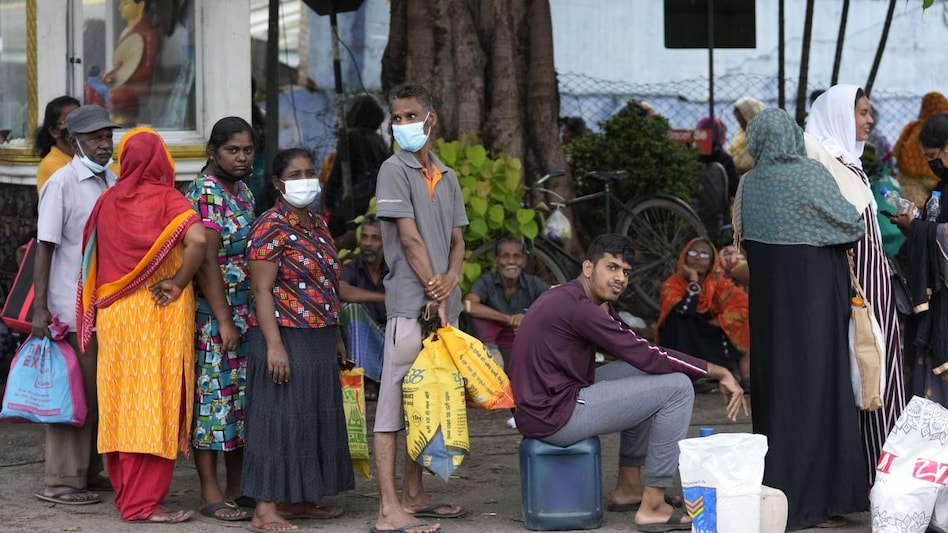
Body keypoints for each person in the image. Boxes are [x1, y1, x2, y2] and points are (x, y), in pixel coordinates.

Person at [509, 234, 747, 533]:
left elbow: (630, 346)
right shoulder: (578, 308)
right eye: (611, 268)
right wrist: (717, 371)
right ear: (588, 267)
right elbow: (646, 353)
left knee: (643, 372)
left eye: (625, 272)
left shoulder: (573, 298)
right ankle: (652, 505)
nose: (620, 278)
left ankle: (629, 487)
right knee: (678, 387)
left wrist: (607, 310)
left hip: (551, 402)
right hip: (555, 415)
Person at [736, 108, 868, 530]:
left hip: (770, 310)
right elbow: (851, 224)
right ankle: (823, 499)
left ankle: (779, 496)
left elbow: (741, 239)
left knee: (777, 392)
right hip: (814, 304)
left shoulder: (748, 185)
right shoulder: (811, 175)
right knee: (819, 390)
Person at [77, 127, 205, 524]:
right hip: (158, 312)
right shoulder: (170, 199)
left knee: (119, 404)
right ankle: (143, 504)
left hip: (114, 317)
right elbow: (198, 240)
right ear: (163, 160)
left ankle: (128, 496)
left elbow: (90, 260)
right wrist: (180, 281)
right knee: (154, 405)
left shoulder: (106, 200)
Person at [372, 82, 468, 533]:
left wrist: (450, 281)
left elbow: (458, 240)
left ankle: (414, 492)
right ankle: (388, 507)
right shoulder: (393, 169)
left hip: (443, 305)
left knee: (429, 402)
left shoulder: (447, 175)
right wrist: (436, 291)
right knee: (392, 407)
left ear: (432, 119)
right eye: (398, 117)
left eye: (411, 115)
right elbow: (409, 240)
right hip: (411, 305)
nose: (404, 124)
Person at [243, 148, 352, 533]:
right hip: (285, 335)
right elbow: (261, 290)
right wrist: (274, 346)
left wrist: (336, 333)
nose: (306, 180)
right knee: (280, 419)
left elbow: (328, 285)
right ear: (277, 183)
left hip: (319, 337)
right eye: (295, 174)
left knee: (312, 418)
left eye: (310, 172)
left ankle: (301, 498)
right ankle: (265, 509)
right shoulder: (269, 226)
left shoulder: (319, 226)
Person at [806, 84, 906, 487]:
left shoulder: (849, 161)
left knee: (879, 375)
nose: (869, 120)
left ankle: (890, 476)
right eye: (861, 112)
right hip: (856, 291)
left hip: (874, 286)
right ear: (837, 115)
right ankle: (876, 477)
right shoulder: (824, 163)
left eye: (869, 112)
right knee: (868, 377)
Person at [31, 105, 118, 506]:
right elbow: (45, 246)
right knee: (74, 394)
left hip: (106, 309)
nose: (104, 144)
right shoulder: (63, 183)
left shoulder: (110, 180)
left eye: (108, 136)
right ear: (74, 140)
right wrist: (41, 308)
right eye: (96, 138)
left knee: (98, 392)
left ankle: (89, 471)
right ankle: (62, 480)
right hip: (70, 308)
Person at [184, 117, 256, 523]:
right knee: (212, 402)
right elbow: (207, 262)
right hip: (215, 314)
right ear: (214, 152)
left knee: (238, 401)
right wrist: (225, 320)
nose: (241, 157)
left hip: (244, 311)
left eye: (247, 150)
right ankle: (209, 493)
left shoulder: (242, 190)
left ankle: (238, 487)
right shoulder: (207, 194)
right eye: (233, 150)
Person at [892, 112, 948, 407]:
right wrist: (917, 224)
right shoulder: (943, 186)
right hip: (939, 296)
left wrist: (917, 229)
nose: (931, 163)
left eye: (933, 155)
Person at [656, 238, 750, 388]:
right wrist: (693, 280)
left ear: (712, 262)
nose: (698, 258)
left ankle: (741, 375)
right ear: (684, 257)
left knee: (740, 322)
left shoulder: (718, 283)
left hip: (705, 334)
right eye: (693, 252)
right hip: (681, 338)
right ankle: (689, 371)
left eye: (704, 255)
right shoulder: (672, 283)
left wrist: (722, 321)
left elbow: (743, 303)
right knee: (680, 319)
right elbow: (685, 310)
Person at [462, 236, 549, 375]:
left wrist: (527, 318)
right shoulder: (487, 281)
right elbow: (468, 305)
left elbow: (554, 305)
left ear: (524, 261)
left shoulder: (533, 283)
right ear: (496, 261)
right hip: (494, 347)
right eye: (505, 256)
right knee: (478, 320)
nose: (511, 261)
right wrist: (507, 318)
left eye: (517, 256)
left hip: (525, 344)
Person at [322, 95, 391, 238]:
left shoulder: (351, 137)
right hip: (372, 203)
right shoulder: (379, 140)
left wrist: (327, 200)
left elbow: (338, 174)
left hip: (351, 205)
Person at [338, 214, 388, 400]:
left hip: (388, 338)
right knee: (352, 310)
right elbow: (342, 291)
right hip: (360, 341)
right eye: (365, 237)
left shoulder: (395, 269)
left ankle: (377, 382)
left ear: (386, 242)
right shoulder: (352, 267)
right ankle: (362, 381)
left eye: (375, 238)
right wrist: (384, 297)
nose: (367, 243)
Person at [101, 0, 159, 125]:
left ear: (141, 5)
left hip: (137, 87)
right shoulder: (126, 31)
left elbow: (146, 69)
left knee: (117, 94)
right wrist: (112, 74)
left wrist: (120, 78)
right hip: (124, 83)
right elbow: (122, 64)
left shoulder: (147, 33)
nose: (120, 8)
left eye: (125, 3)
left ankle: (122, 120)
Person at [893, 92, 948, 206]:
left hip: (918, 180)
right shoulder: (912, 128)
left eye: (932, 155)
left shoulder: (912, 128)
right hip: (913, 180)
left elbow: (895, 152)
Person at [694, 116, 739, 238]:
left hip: (691, 215)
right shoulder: (724, 159)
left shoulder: (690, 156)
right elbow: (734, 190)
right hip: (718, 219)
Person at [34, 96, 80, 193]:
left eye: (81, 118)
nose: (79, 124)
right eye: (70, 120)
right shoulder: (50, 164)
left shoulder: (84, 157)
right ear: (54, 131)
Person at [728, 96, 765, 176]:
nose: (741, 126)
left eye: (743, 121)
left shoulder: (766, 139)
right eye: (739, 122)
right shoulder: (741, 138)